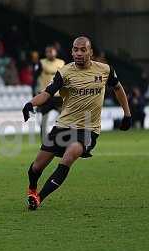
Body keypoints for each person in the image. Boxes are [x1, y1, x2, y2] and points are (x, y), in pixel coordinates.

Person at [22, 36, 132, 210]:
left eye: (83, 49)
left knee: (69, 155)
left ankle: (39, 198)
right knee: (36, 168)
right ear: (72, 51)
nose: (78, 53)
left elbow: (118, 88)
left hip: (88, 129)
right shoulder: (65, 72)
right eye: (75, 49)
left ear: (90, 52)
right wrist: (30, 103)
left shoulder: (105, 70)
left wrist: (127, 114)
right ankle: (32, 188)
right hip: (63, 126)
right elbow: (47, 93)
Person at [37, 45, 65, 140]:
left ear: (55, 52)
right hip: (46, 95)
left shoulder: (61, 63)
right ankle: (44, 141)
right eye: (47, 52)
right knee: (44, 119)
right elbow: (35, 77)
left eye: (51, 51)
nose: (49, 53)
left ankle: (64, 137)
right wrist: (35, 92)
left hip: (58, 96)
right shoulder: (41, 63)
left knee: (65, 117)